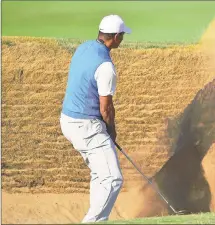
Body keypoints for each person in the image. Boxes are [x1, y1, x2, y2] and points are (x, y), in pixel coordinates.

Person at [59, 14, 131, 223]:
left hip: (68, 120)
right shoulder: (106, 67)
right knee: (113, 179)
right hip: (86, 126)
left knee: (100, 174)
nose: (123, 39)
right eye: (123, 35)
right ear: (116, 37)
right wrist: (111, 130)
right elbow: (106, 108)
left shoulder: (84, 48)